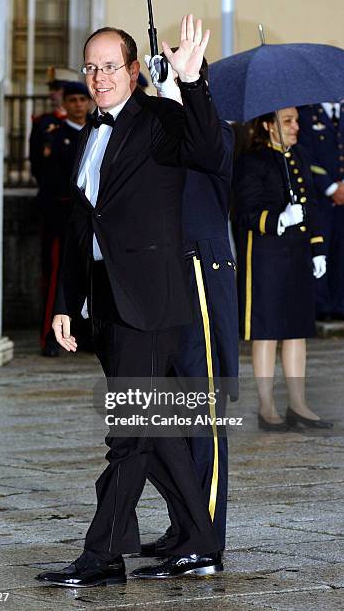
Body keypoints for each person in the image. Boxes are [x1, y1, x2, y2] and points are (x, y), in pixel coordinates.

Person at [36, 15, 227, 588]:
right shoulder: (89, 133)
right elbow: (81, 222)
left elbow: (209, 149)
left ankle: (103, 557)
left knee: (130, 432)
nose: (98, 77)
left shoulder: (160, 120)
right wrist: (67, 302)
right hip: (109, 304)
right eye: (90, 68)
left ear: (134, 69)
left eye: (109, 67)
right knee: (161, 435)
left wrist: (191, 82)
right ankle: (201, 543)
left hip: (153, 303)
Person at [139, 55, 238, 560]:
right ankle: (187, 523)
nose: (159, 86)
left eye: (168, 78)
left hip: (199, 276)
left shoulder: (214, 133)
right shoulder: (153, 136)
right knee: (151, 419)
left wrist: (189, 85)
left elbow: (201, 143)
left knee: (201, 418)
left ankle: (206, 540)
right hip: (156, 284)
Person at [234, 107, 333, 431]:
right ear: (268, 124)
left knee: (296, 330)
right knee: (267, 332)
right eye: (288, 120)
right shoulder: (253, 160)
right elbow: (245, 213)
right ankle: (266, 406)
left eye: (296, 121)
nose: (296, 127)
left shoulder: (299, 156)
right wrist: (278, 218)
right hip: (266, 257)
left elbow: (313, 206)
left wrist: (318, 249)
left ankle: (299, 404)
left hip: (297, 256)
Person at [38, 82, 91, 356]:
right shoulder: (55, 136)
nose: (79, 105)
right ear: (65, 104)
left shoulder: (97, 131)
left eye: (83, 99)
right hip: (62, 219)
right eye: (73, 100)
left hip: (91, 222)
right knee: (59, 275)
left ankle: (86, 334)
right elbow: (46, 178)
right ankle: (51, 335)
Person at [298, 102, 344, 320]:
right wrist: (331, 186)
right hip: (320, 195)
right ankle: (321, 306)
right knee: (321, 247)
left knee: (341, 249)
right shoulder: (307, 113)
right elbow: (305, 155)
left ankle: (340, 303)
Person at [29, 67, 83, 186]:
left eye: (57, 88)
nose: (51, 93)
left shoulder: (89, 122)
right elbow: (36, 162)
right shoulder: (42, 122)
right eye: (50, 88)